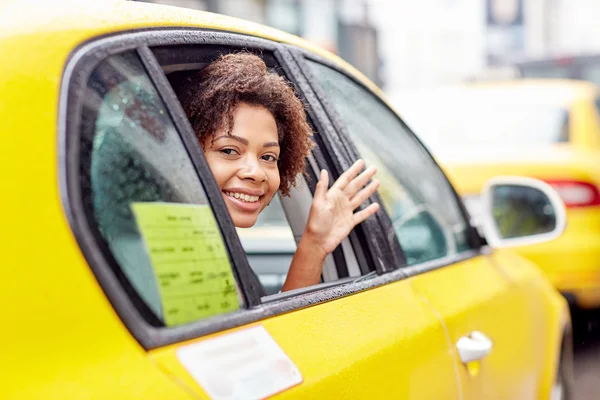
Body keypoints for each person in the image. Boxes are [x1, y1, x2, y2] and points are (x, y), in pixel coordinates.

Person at [177, 52, 379, 292]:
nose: (257, 173)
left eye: (268, 157)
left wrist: (315, 243)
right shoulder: (170, 254)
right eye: (230, 150)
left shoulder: (214, 249)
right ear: (183, 151)